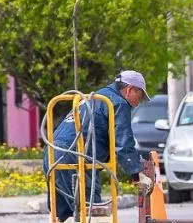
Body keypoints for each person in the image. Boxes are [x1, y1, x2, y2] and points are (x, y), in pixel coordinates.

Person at [43, 70, 154, 222]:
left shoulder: (94, 98)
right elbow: (123, 142)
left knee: (62, 215)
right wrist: (137, 174)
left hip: (51, 155)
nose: (137, 103)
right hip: (75, 158)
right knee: (92, 214)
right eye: (139, 97)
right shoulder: (118, 103)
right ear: (129, 90)